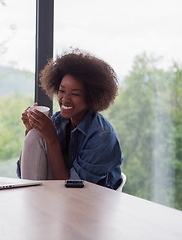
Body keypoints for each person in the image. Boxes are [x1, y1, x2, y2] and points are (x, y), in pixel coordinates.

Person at [16, 48, 123, 190]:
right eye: (61, 91)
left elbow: (71, 187)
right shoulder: (59, 121)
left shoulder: (103, 137)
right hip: (57, 199)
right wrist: (30, 130)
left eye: (75, 94)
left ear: (91, 97)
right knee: (35, 135)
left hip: (91, 204)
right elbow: (23, 173)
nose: (65, 99)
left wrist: (52, 138)